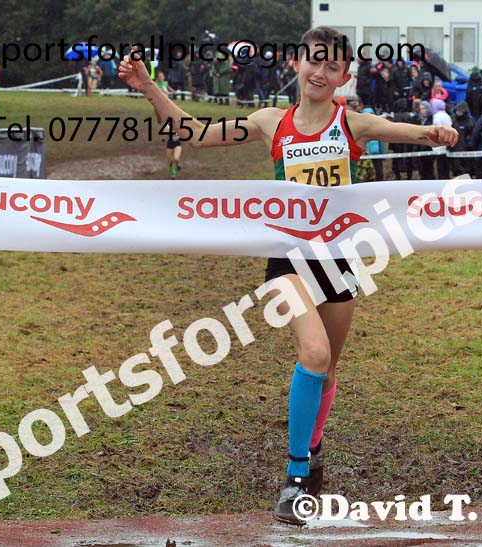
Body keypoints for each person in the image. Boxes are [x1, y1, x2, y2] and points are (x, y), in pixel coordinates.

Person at [118, 26, 457, 526]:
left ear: (343, 76)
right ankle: (296, 478)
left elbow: (412, 133)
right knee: (314, 353)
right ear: (298, 63)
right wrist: (150, 89)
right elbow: (193, 133)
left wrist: (435, 132)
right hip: (286, 261)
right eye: (312, 61)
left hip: (339, 261)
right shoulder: (270, 122)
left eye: (331, 66)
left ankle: (313, 449)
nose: (319, 72)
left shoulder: (353, 124)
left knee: (327, 373)